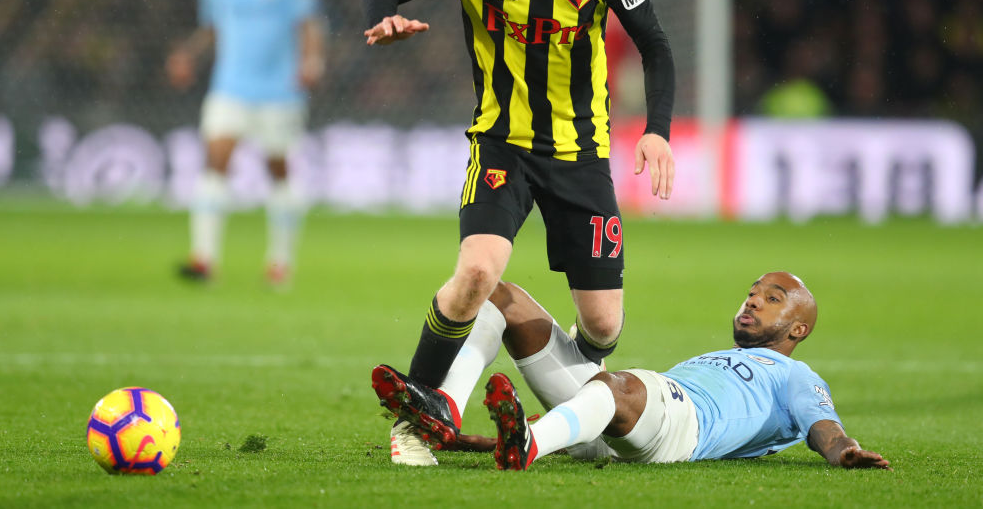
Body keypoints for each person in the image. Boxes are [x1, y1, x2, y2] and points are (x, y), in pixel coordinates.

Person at [365, 0, 676, 461]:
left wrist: (657, 129)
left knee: (603, 326)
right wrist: (386, 17)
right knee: (477, 271)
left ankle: (573, 384)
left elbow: (657, 46)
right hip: (501, 145)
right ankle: (415, 414)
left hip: (579, 153)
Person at [379, 272, 892, 471]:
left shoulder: (793, 375)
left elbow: (822, 425)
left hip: (685, 431)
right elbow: (604, 417)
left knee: (621, 385)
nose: (753, 301)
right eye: (752, 292)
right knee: (500, 294)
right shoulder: (718, 359)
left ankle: (527, 449)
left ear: (797, 330)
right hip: (623, 421)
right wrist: (482, 441)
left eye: (772, 299)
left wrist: (844, 452)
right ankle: (443, 413)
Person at [166, 0, 326, 286]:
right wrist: (188, 54)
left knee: (278, 169)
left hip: (279, 90)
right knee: (215, 159)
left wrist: (312, 62)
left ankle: (280, 263)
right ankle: (204, 259)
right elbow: (213, 27)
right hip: (230, 87)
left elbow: (309, 24)